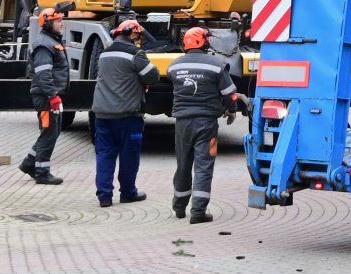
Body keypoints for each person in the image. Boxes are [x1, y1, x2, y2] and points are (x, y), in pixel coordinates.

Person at [169, 26, 246, 223]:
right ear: (204, 42)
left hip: (182, 124)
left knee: (183, 164)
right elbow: (230, 93)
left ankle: (179, 206)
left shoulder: (174, 66)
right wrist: (231, 108)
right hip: (206, 124)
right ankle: (198, 212)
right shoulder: (216, 64)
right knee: (204, 166)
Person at [91, 18, 159, 208]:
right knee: (129, 154)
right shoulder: (135, 54)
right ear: (133, 33)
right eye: (138, 36)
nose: (140, 40)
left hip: (102, 114)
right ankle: (128, 192)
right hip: (127, 114)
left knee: (104, 154)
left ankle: (104, 196)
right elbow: (152, 77)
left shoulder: (105, 53)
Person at [19, 7, 70, 185]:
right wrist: (53, 96)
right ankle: (41, 172)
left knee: (51, 132)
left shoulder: (50, 41)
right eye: (57, 21)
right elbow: (43, 74)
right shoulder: (44, 45)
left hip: (49, 95)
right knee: (49, 133)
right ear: (48, 23)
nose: (61, 24)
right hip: (46, 96)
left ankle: (29, 163)